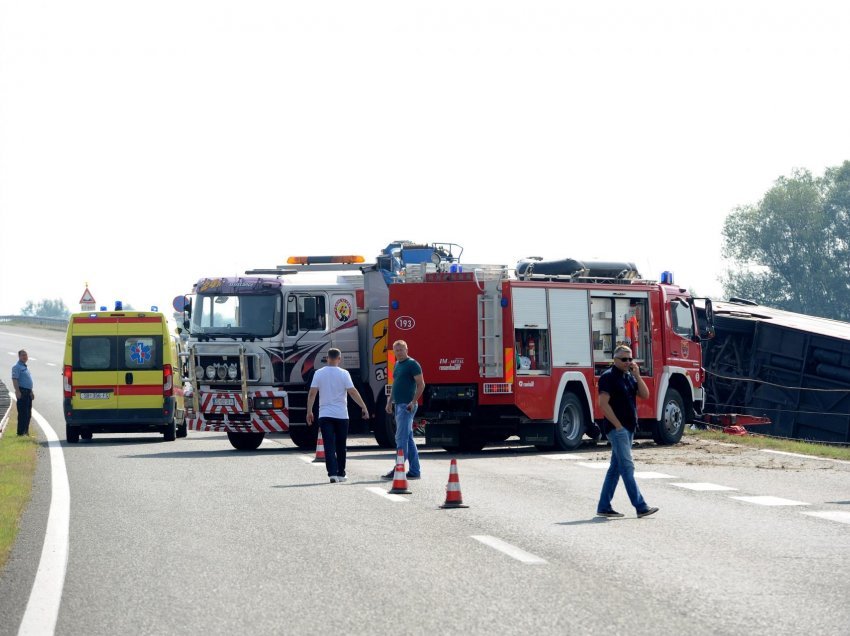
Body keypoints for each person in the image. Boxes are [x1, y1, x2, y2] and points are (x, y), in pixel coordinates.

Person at [596, 345, 659, 519]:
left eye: (630, 359)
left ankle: (603, 506)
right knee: (627, 467)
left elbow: (645, 395)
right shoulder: (608, 377)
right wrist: (617, 426)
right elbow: (603, 404)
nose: (628, 362)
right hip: (618, 430)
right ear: (614, 360)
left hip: (628, 428)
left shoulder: (629, 376)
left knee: (615, 469)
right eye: (624, 359)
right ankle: (640, 506)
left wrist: (637, 375)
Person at [305, 348, 369, 483]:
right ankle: (341, 473)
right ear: (339, 359)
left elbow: (312, 393)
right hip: (342, 415)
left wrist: (309, 411)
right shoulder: (344, 373)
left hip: (325, 414)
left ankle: (332, 474)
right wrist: (363, 406)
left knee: (328, 445)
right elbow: (352, 392)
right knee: (341, 445)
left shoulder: (318, 373)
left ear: (327, 358)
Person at [382, 340, 425, 480]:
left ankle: (398, 468)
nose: (399, 352)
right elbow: (395, 384)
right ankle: (415, 471)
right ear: (394, 351)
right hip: (398, 405)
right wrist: (389, 402)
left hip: (407, 406)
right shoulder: (396, 364)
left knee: (401, 438)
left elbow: (421, 384)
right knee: (409, 439)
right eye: (397, 350)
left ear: (407, 349)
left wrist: (413, 402)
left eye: (401, 349)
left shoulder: (412, 364)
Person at [11, 349, 34, 436]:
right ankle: (20, 433)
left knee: (28, 414)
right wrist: (17, 391)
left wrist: (31, 392)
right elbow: (15, 379)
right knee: (23, 414)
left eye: (26, 355)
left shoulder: (25, 367)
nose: (25, 357)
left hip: (28, 392)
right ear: (19, 356)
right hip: (22, 392)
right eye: (23, 355)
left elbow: (28, 381)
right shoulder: (16, 367)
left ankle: (26, 432)